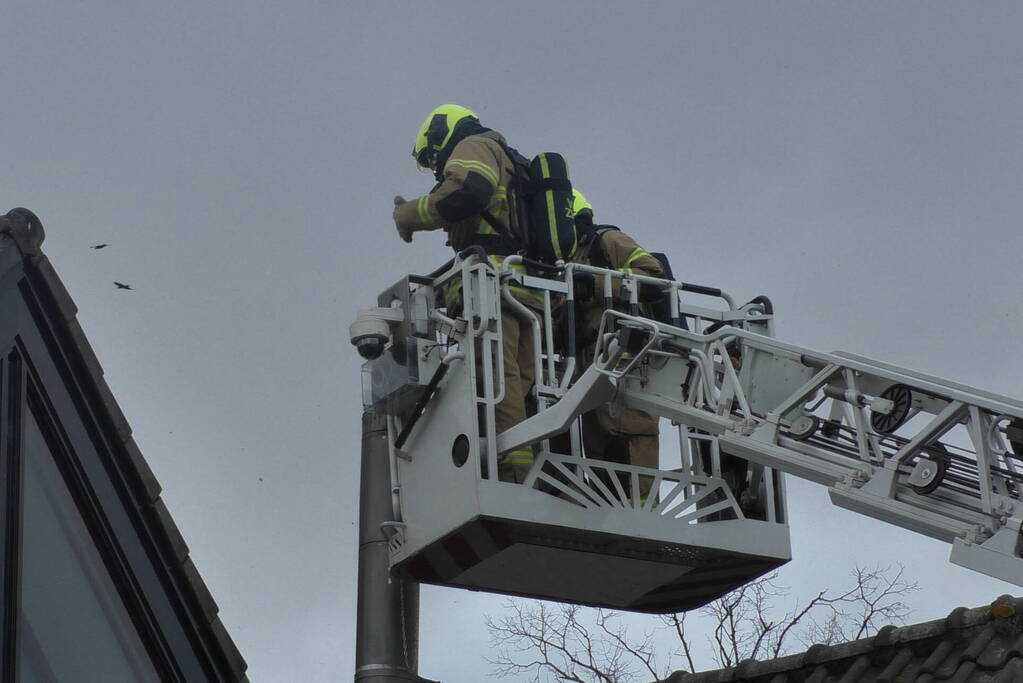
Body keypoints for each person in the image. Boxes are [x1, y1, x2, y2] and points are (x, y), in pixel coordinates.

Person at [392, 104, 537, 483]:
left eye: (430, 159)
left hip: (492, 284)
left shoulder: (472, 146)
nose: (435, 167)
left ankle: (511, 474)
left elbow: (466, 192)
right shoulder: (506, 155)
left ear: (439, 135)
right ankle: (529, 469)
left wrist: (409, 214)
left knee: (496, 377)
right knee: (521, 383)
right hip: (524, 286)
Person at [570, 190, 663, 503]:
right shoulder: (571, 255)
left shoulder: (606, 240)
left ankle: (642, 505)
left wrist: (596, 284)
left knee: (632, 426)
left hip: (625, 350)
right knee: (597, 433)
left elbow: (651, 274)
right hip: (591, 355)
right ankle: (607, 503)